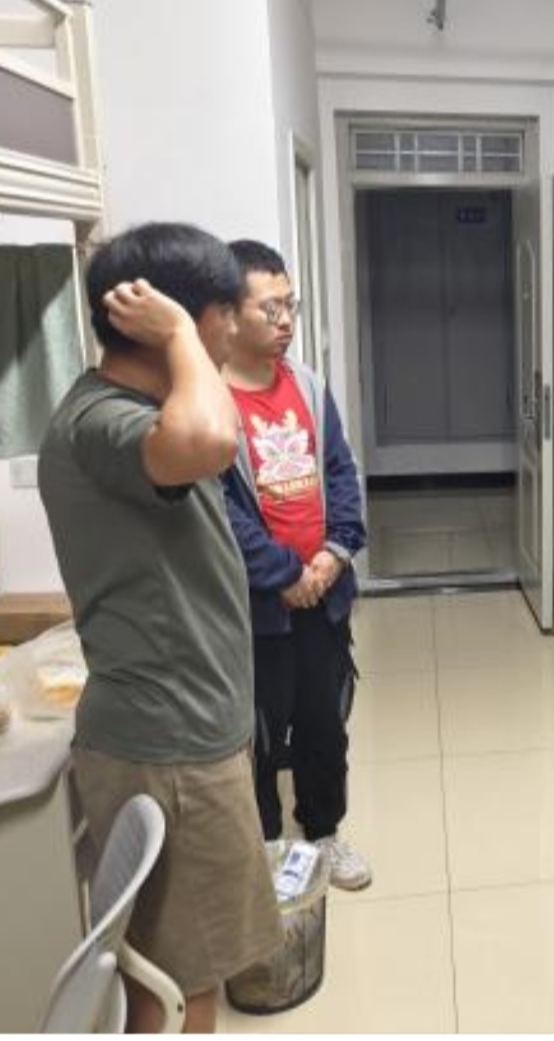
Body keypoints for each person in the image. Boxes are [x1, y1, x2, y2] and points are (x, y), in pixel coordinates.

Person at [38, 222, 282, 1032]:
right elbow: (211, 439)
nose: (235, 330)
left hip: (186, 732)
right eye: (224, 312)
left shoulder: (146, 410)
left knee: (175, 971)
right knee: (179, 986)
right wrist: (179, 331)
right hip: (168, 744)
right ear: (166, 317)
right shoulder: (102, 420)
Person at [220, 239, 371, 891]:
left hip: (323, 595)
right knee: (255, 734)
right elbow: (222, 510)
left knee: (323, 724)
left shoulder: (307, 383)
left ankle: (325, 833)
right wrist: (282, 575)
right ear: (228, 313)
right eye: (270, 308)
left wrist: (334, 553)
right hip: (259, 610)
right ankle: (266, 850)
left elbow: (340, 470)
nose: (286, 321)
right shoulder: (209, 400)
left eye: (291, 306)